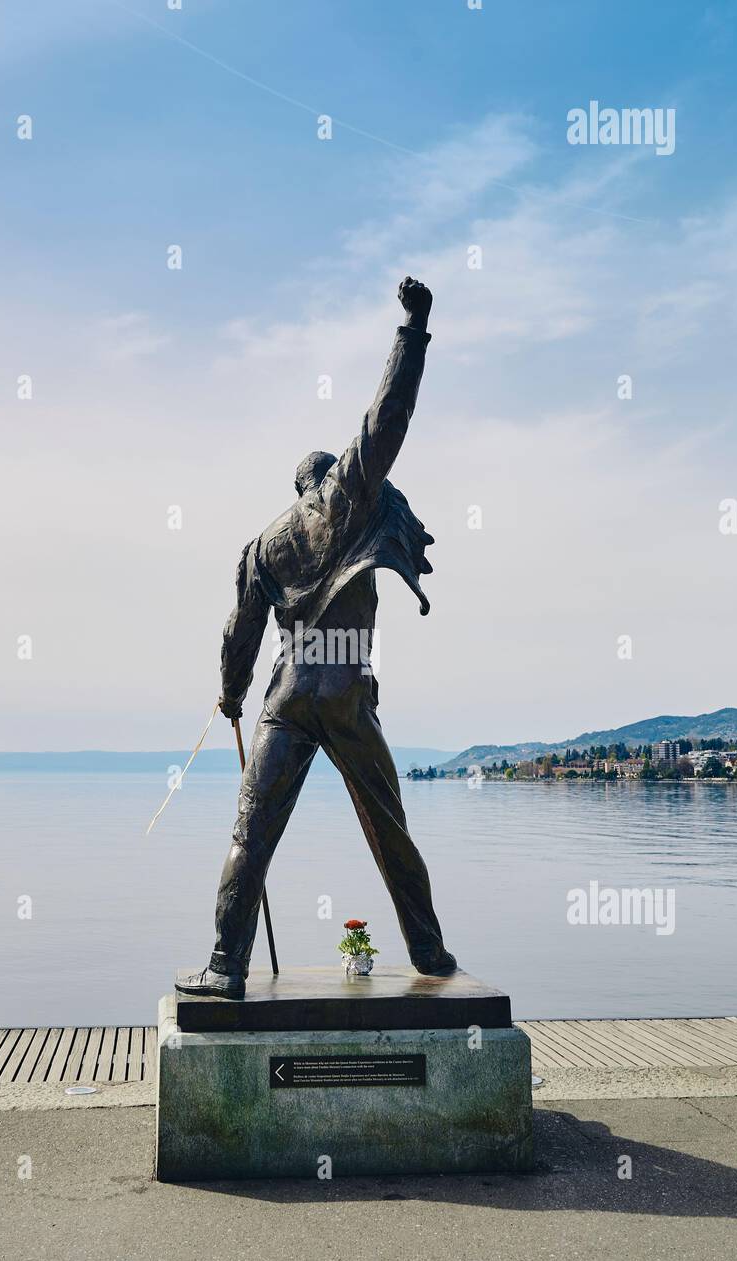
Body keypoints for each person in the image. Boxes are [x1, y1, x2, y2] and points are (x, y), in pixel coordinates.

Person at [179, 277, 457, 1000]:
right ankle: (429, 955)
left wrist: (231, 696)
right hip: (344, 693)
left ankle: (223, 968)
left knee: (250, 835)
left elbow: (237, 633)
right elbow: (386, 417)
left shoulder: (261, 547)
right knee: (390, 829)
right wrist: (413, 328)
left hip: (288, 694)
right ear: (327, 482)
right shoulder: (346, 500)